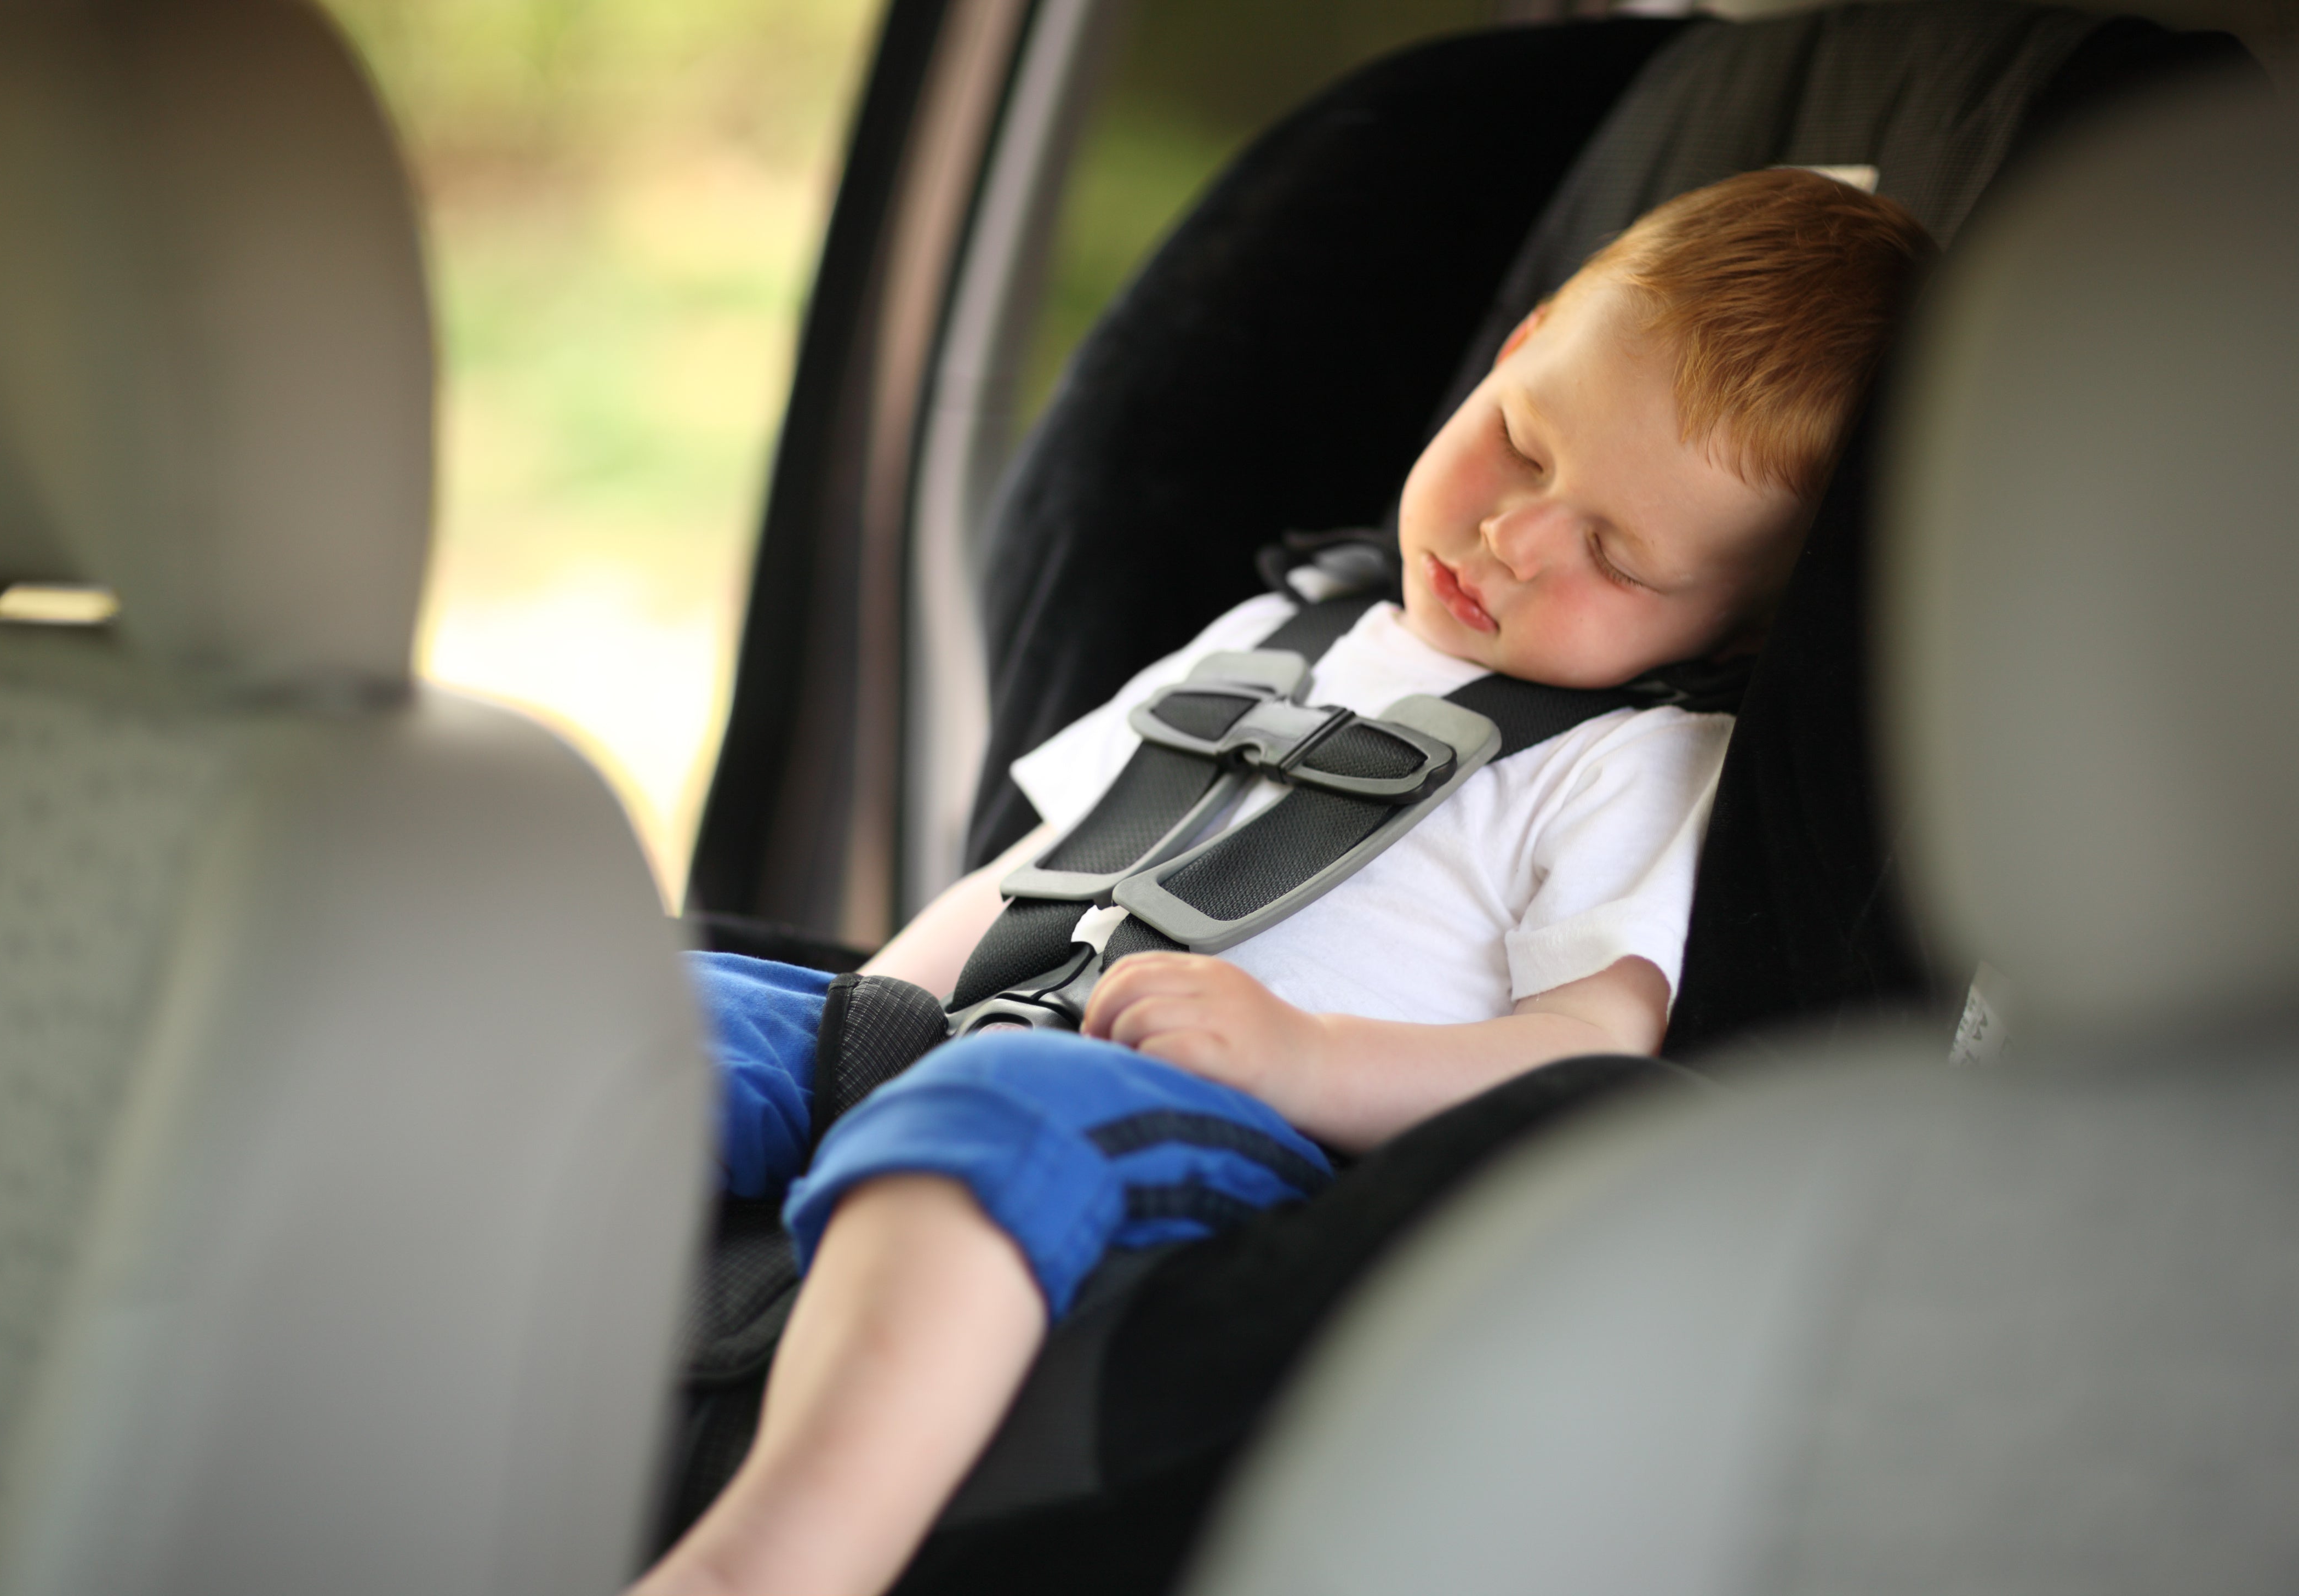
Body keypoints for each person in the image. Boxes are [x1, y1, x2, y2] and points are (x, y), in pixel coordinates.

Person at [635, 168, 1932, 1596]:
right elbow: (1034, 875)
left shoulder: (1634, 763)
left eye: (1615, 556)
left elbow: (1588, 1053)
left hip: (1242, 1143)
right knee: (651, 1006)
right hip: (1003, 1031)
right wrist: (864, 1030)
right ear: (1521, 343)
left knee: (1001, 1109)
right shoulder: (1282, 627)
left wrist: (1303, 1059)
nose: (1515, 536)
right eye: (1526, 444)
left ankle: (776, 1563)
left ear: (1740, 630)